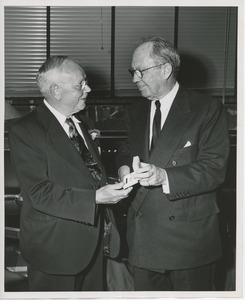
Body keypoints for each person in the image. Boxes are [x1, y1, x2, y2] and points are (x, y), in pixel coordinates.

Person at [8, 56, 132, 291]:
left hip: (94, 243)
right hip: (56, 250)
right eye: (80, 85)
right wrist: (96, 198)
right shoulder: (26, 131)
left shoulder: (80, 123)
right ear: (55, 91)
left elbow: (86, 174)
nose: (88, 89)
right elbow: (39, 193)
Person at [117, 37, 230, 291]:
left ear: (165, 69)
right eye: (132, 72)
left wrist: (163, 176)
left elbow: (214, 170)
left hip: (189, 243)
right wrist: (123, 167)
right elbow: (126, 148)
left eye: (140, 71)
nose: (134, 79)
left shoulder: (207, 109)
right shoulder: (134, 111)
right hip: (144, 241)